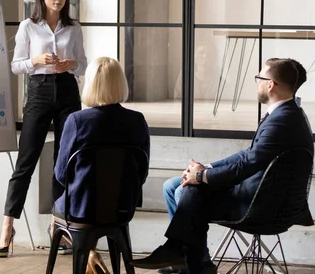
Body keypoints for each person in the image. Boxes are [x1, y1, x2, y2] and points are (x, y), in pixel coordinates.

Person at [133, 58, 313, 274]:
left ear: (270, 84)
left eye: (259, 78)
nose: (256, 82)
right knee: (172, 186)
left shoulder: (282, 120)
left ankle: (192, 262)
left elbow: (248, 164)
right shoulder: (288, 113)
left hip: (259, 205)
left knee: (186, 191)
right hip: (262, 193)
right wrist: (206, 168)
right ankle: (189, 258)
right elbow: (249, 155)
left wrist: (201, 177)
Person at [0, 0, 87, 257]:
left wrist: (71, 63)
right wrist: (35, 61)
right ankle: (8, 226)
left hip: (68, 92)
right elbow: (15, 66)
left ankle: (57, 226)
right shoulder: (28, 27)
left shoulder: (73, 28)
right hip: (39, 90)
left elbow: (83, 64)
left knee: (65, 161)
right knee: (26, 161)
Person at [54, 57, 150, 273]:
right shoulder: (137, 120)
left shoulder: (77, 121)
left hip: (82, 208)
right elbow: (142, 172)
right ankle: (91, 258)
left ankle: (89, 255)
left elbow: (61, 175)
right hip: (123, 207)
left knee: (57, 217)